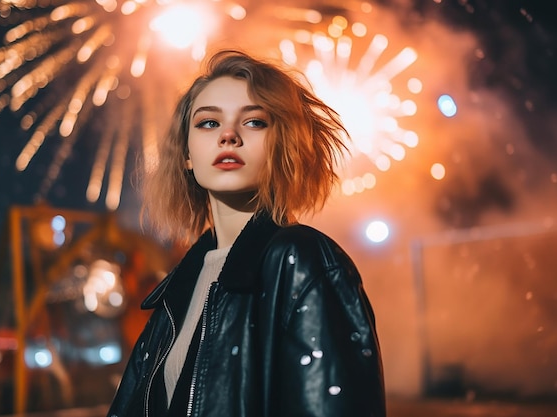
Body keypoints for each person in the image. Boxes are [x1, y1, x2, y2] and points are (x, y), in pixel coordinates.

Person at [107, 50, 385, 417]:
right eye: (208, 123)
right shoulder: (176, 290)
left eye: (253, 122)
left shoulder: (302, 261)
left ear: (281, 142)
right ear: (187, 153)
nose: (228, 136)